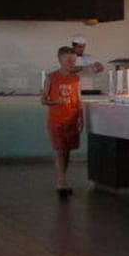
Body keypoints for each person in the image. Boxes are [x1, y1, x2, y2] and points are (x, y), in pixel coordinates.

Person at [42, 45, 84, 196]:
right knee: (60, 150)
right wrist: (56, 102)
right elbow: (43, 100)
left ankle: (62, 179)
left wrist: (81, 117)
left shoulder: (75, 78)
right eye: (68, 61)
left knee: (67, 151)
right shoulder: (51, 77)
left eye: (73, 61)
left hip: (71, 118)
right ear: (60, 60)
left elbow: (78, 99)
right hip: (56, 120)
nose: (71, 64)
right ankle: (61, 181)